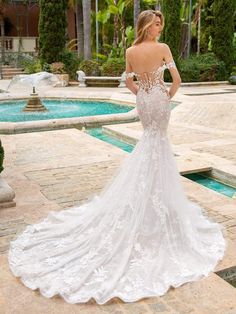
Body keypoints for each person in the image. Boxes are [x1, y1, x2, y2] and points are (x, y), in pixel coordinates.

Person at [8, 10, 227, 305]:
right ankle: (159, 206)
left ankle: (151, 200)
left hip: (144, 101)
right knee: (158, 144)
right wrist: (166, 94)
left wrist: (143, 92)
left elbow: (127, 80)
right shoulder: (162, 49)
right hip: (158, 99)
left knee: (150, 144)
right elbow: (176, 79)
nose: (159, 28)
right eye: (157, 24)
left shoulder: (130, 50)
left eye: (160, 23)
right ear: (148, 27)